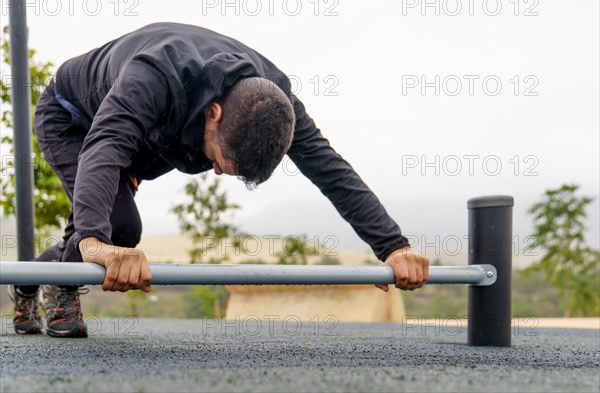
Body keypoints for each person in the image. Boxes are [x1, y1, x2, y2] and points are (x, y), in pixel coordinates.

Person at [9, 22, 429, 337]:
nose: (213, 171)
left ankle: (29, 277)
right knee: (120, 231)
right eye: (219, 160)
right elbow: (105, 146)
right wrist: (96, 241)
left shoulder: (273, 102)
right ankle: (59, 285)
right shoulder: (154, 74)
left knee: (112, 231)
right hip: (74, 120)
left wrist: (394, 246)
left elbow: (331, 170)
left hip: (151, 136)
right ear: (215, 113)